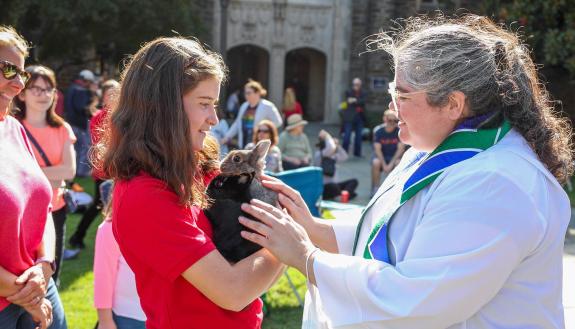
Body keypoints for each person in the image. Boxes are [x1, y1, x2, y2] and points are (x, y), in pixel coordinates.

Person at [237, 15, 574, 328]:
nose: (390, 107)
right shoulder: (430, 150)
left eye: (401, 94)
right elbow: (396, 232)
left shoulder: (496, 183)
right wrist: (312, 228)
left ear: (453, 104)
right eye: (391, 91)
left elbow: (417, 303)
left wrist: (307, 258)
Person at [97, 37, 284, 329]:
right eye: (204, 104)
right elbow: (233, 291)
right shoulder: (144, 195)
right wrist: (286, 241)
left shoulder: (194, 166)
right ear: (164, 107)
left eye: (215, 104)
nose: (214, 119)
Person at [0, 25, 67, 329]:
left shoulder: (14, 129)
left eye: (22, 73)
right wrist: (28, 295)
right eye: (7, 69)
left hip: (39, 285)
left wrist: (45, 266)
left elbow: (44, 207)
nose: (17, 84)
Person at [11, 65, 77, 284]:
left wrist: (30, 175)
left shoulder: (62, 128)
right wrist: (52, 177)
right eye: (36, 89)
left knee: (51, 277)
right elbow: (10, 174)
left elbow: (69, 171)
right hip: (20, 216)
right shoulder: (10, 128)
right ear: (22, 93)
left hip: (56, 211)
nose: (44, 95)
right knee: (23, 277)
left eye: (49, 89)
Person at [67, 79, 120, 254]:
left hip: (117, 169)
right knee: (100, 206)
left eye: (116, 92)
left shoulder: (122, 114)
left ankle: (113, 245)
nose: (114, 96)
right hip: (105, 171)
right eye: (109, 93)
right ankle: (77, 237)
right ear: (103, 97)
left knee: (112, 208)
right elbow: (101, 146)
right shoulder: (100, 117)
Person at [94, 180, 147, 329]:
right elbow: (103, 277)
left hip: (156, 314)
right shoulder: (110, 229)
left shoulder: (162, 225)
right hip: (126, 316)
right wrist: (105, 320)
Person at [222, 79, 282, 149]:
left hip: (259, 142)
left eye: (249, 93)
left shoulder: (267, 106)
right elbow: (237, 123)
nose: (246, 95)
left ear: (258, 93)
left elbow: (278, 122)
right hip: (244, 140)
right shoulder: (244, 106)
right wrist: (227, 137)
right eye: (245, 93)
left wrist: (264, 130)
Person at [64, 68, 98, 177]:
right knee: (85, 148)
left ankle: (74, 172)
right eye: (90, 82)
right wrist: (92, 97)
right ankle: (81, 172)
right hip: (80, 124)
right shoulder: (81, 90)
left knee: (76, 149)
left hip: (71, 123)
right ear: (86, 80)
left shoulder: (71, 88)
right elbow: (82, 108)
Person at [313, 129, 358, 201]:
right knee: (333, 187)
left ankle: (344, 195)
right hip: (325, 187)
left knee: (354, 181)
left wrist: (338, 146)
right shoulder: (319, 154)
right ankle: (347, 195)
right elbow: (330, 148)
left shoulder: (333, 156)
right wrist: (328, 136)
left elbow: (345, 156)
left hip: (335, 185)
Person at [371, 109, 405, 195]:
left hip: (394, 157)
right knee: (376, 162)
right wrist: (384, 164)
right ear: (385, 119)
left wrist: (390, 164)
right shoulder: (378, 131)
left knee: (399, 162)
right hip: (382, 156)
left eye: (395, 121)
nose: (392, 123)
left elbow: (400, 149)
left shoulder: (399, 131)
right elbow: (377, 149)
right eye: (390, 120)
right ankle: (375, 188)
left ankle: (396, 189)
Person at [341, 77, 367, 157]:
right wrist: (357, 100)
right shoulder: (349, 91)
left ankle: (357, 153)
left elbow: (363, 101)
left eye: (358, 84)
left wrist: (355, 100)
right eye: (355, 84)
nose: (356, 86)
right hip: (349, 116)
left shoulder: (364, 92)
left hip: (360, 117)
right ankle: (343, 153)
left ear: (360, 85)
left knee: (359, 137)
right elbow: (348, 101)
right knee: (347, 136)